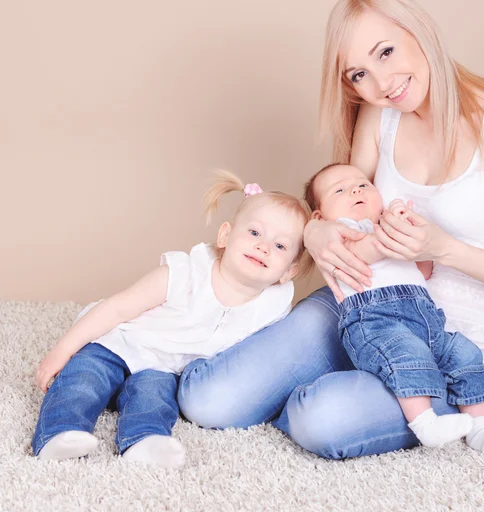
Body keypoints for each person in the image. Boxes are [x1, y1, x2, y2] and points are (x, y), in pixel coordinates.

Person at [177, 0, 484, 459]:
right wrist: (315, 231)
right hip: (361, 311)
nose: (383, 83)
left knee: (319, 417)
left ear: (419, 31)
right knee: (207, 401)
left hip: (445, 340)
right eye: (359, 74)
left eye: (386, 52)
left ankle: (431, 403)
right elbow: (342, 201)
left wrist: (444, 249)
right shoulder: (380, 114)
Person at [32, 171, 310, 468]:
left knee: (155, 401)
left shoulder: (273, 307)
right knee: (83, 381)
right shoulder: (187, 273)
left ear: (289, 271)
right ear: (225, 236)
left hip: (163, 368)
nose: (264, 246)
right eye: (254, 233)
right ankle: (59, 432)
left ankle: (144, 441)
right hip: (118, 343)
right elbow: (117, 309)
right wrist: (62, 351)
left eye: (280, 246)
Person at [304, 162, 484, 457]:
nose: (355, 190)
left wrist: (413, 233)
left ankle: (482, 427)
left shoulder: (382, 226)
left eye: (363, 185)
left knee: (464, 352)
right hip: (375, 320)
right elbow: (361, 252)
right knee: (408, 355)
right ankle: (425, 424)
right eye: (340, 190)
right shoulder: (343, 233)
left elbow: (425, 269)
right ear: (320, 216)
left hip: (425, 317)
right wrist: (395, 232)